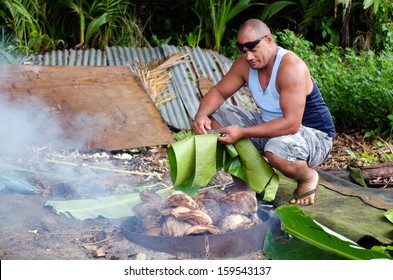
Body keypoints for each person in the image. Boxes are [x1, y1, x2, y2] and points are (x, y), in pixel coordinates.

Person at [192, 19, 335, 206]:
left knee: (276, 150)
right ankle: (245, 186)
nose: (249, 56)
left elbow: (291, 124)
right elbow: (219, 91)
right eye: (244, 51)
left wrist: (242, 132)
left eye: (253, 49)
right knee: (214, 120)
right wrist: (200, 116)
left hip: (313, 136)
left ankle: (308, 177)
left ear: (269, 40)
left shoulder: (291, 67)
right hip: (273, 129)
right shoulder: (245, 65)